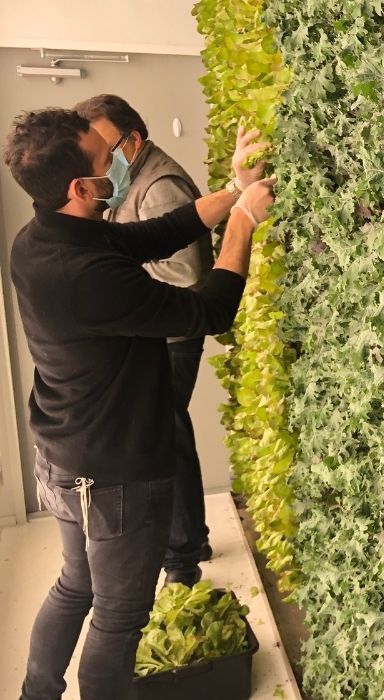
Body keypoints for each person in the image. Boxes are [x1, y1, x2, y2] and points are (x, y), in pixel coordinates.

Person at [3, 108, 273, 700]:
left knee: (75, 585)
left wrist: (235, 188)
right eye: (106, 164)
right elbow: (208, 311)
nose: (118, 167)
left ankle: (35, 695)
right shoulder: (85, 273)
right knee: (119, 620)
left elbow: (155, 233)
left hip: (64, 455)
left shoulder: (44, 235)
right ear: (81, 188)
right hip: (114, 473)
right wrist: (245, 223)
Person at [74, 94, 213, 587]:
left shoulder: (159, 187)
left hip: (172, 336)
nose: (95, 165)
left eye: (102, 151)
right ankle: (189, 541)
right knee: (170, 435)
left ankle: (182, 557)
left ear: (131, 142)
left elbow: (185, 272)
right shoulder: (130, 181)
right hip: (158, 334)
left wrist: (114, 276)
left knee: (167, 440)